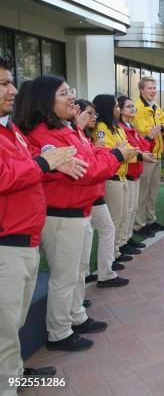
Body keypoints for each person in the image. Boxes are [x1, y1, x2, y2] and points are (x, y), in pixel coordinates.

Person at [22, 75, 137, 352]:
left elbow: (92, 157)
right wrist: (117, 157)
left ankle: (75, 315)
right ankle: (59, 331)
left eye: (70, 91)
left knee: (78, 270)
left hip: (78, 209)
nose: (72, 97)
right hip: (62, 213)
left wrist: (110, 155)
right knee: (65, 275)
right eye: (64, 93)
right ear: (46, 100)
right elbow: (86, 169)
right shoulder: (43, 133)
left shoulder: (64, 128)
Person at [0, 58, 84, 391]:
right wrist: (44, 162)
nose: (13, 89)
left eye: (11, 82)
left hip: (25, 238)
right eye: (4, 83)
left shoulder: (11, 130)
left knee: (13, 321)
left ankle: (12, 374)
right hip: (8, 241)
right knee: (5, 324)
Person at [77, 98, 130, 288]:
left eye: (95, 113)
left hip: (94, 189)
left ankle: (101, 272)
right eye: (89, 113)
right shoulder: (84, 133)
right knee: (102, 230)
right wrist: (111, 153)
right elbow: (87, 164)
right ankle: (100, 273)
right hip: (84, 193)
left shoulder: (83, 134)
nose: (94, 116)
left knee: (104, 229)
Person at [93, 94, 143, 263]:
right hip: (112, 176)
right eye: (115, 106)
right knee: (115, 218)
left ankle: (118, 248)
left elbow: (126, 149)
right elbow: (109, 150)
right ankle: (112, 255)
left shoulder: (116, 127)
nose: (118, 109)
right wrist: (122, 153)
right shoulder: (101, 127)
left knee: (123, 215)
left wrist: (137, 155)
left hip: (121, 174)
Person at [132, 76, 164, 237]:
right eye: (149, 88)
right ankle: (139, 225)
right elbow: (145, 130)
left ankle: (150, 220)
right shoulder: (137, 107)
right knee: (143, 192)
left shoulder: (156, 106)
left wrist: (163, 127)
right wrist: (163, 127)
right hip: (146, 154)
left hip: (157, 154)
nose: (153, 91)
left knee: (153, 191)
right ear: (141, 90)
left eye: (154, 88)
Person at [117, 96, 156, 247]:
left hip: (135, 171)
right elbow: (133, 149)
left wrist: (149, 138)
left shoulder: (131, 126)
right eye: (128, 106)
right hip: (127, 172)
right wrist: (142, 151)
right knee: (126, 211)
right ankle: (122, 242)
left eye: (133, 106)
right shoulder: (121, 127)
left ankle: (127, 238)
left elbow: (142, 146)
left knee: (132, 208)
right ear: (120, 110)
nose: (133, 108)